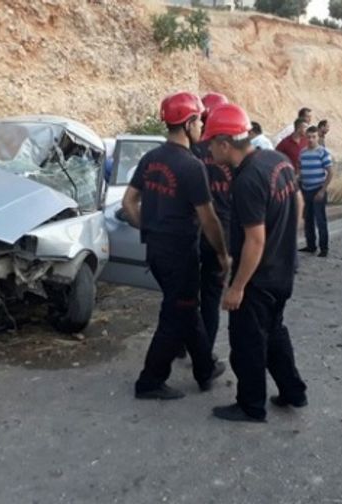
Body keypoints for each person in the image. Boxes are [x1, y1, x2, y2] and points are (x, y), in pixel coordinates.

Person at [203, 104, 307, 423]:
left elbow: (255, 240)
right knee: (274, 333)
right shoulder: (278, 160)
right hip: (283, 271)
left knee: (247, 342)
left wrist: (237, 287)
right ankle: (293, 391)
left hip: (259, 279)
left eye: (210, 143)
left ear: (224, 143)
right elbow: (298, 202)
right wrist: (286, 240)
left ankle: (251, 405)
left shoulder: (247, 180)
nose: (208, 149)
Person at [122, 92, 229, 399]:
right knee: (174, 316)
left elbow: (130, 202)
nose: (201, 127)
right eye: (199, 120)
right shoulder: (191, 166)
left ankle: (205, 368)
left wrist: (149, 226)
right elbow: (209, 220)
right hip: (180, 254)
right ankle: (150, 382)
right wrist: (222, 253)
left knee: (186, 307)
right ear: (188, 122)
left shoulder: (151, 158)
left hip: (155, 250)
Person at [190, 91, 232, 360]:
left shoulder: (193, 149)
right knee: (211, 296)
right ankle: (204, 352)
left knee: (189, 293)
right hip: (222, 231)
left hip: (193, 230)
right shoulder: (228, 150)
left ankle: (187, 344)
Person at [297, 126, 334, 257]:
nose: (311, 140)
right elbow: (301, 171)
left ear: (317, 137)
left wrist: (322, 191)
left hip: (318, 190)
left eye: (313, 137)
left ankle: (324, 248)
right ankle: (311, 245)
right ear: (305, 137)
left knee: (320, 220)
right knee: (308, 220)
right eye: (309, 137)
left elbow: (330, 172)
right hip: (305, 190)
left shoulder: (322, 152)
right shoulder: (302, 153)